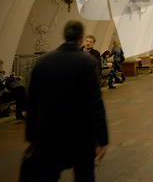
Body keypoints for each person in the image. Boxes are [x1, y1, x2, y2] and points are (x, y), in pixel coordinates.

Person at [26, 20, 108, 181]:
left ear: (64, 36)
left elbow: (32, 101)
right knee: (84, 175)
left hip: (47, 133)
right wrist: (102, 139)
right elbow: (95, 103)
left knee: (46, 175)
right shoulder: (87, 62)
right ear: (81, 38)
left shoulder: (43, 61)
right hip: (80, 135)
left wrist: (31, 136)